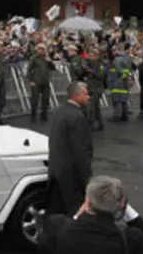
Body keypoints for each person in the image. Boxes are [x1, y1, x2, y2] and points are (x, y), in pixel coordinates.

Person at [40, 175, 143, 254]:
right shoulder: (129, 239)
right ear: (120, 204)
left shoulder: (57, 227)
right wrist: (126, 209)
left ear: (87, 201)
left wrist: (77, 216)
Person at [47, 81, 93, 216]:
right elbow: (80, 150)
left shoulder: (59, 112)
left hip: (56, 171)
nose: (88, 97)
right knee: (75, 212)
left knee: (57, 212)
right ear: (76, 96)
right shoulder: (77, 117)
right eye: (86, 94)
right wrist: (87, 178)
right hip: (72, 175)